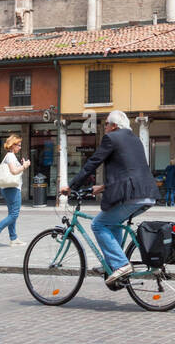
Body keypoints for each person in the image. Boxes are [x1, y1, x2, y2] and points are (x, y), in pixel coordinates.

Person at [60, 111, 160, 288]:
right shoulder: (135, 140)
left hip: (131, 195)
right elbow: (129, 169)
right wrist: (103, 187)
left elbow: (93, 163)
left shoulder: (111, 138)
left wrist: (71, 186)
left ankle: (121, 264)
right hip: (147, 193)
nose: (104, 127)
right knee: (112, 223)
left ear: (114, 126)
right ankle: (113, 264)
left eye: (106, 124)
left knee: (98, 224)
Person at [0, 134, 30, 247]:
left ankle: (13, 238)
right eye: (19, 145)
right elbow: (14, 171)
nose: (20, 147)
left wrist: (22, 165)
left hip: (9, 189)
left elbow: (14, 171)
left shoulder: (10, 156)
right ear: (13, 145)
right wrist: (24, 166)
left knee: (12, 214)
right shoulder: (10, 156)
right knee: (14, 214)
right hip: (12, 189)